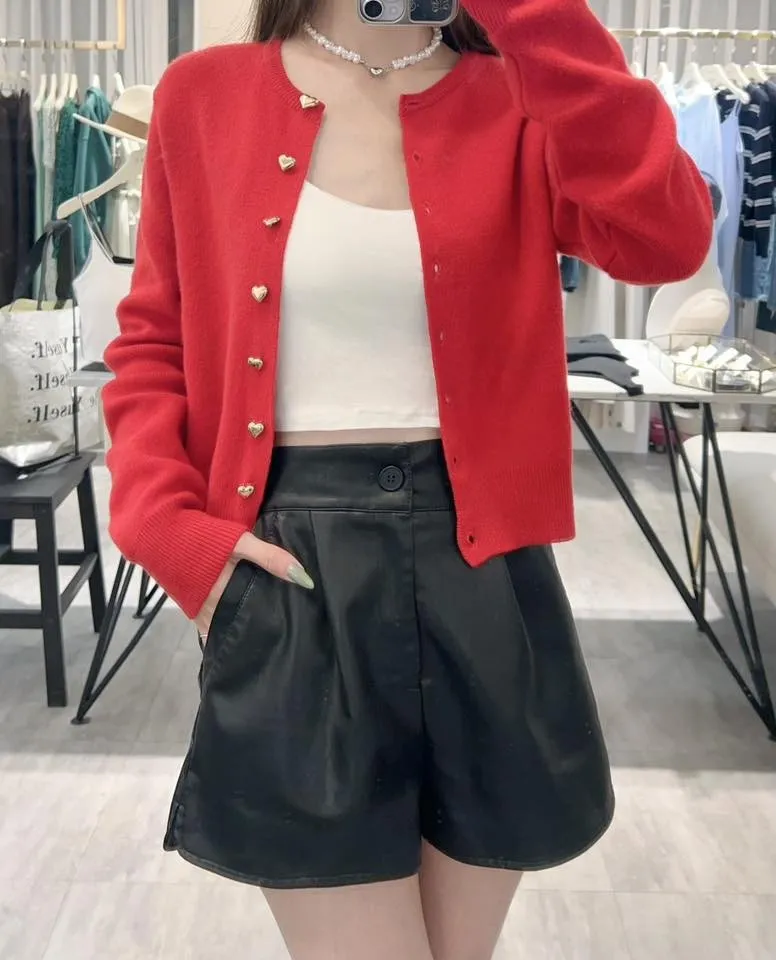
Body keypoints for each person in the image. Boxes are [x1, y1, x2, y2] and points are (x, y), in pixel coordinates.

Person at [102, 0, 712, 957]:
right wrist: (171, 533)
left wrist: (531, 14)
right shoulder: (204, 96)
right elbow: (153, 339)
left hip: (485, 571)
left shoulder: (518, 96)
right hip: (295, 567)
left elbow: (666, 238)